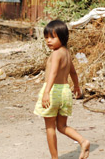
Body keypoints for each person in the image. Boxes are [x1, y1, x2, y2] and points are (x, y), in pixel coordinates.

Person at [34, 20, 90, 159]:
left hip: (53, 91)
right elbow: (73, 72)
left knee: (50, 127)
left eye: (53, 37)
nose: (48, 41)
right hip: (65, 91)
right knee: (62, 126)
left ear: (63, 37)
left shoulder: (56, 54)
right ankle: (83, 141)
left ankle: (54, 158)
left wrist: (46, 92)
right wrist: (76, 86)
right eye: (46, 37)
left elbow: (52, 73)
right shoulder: (67, 53)